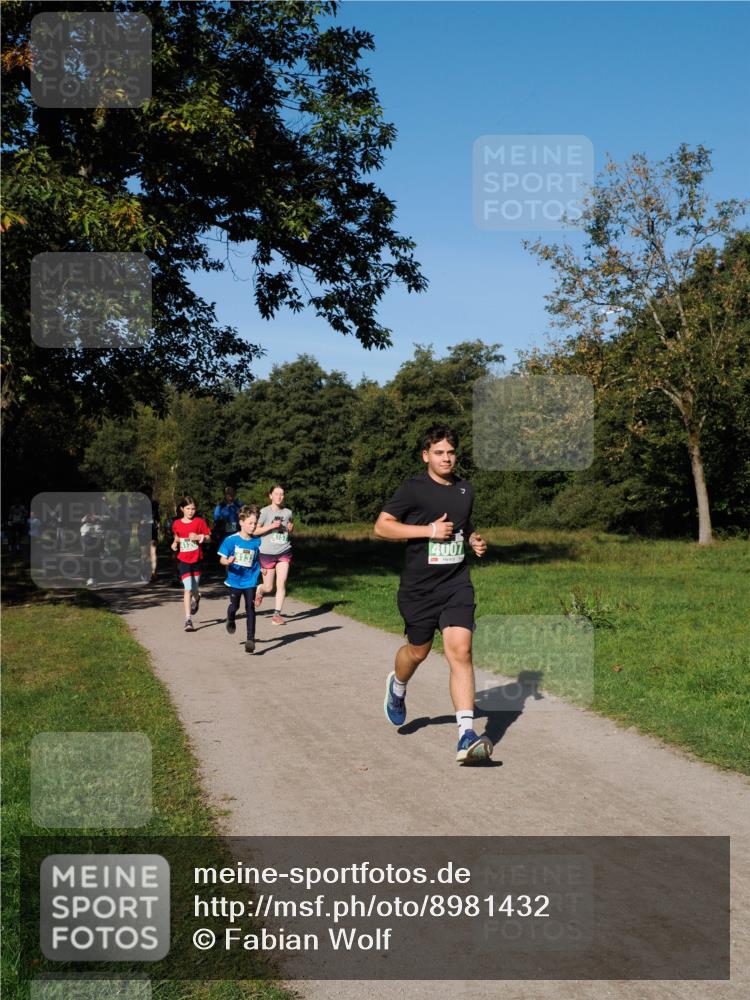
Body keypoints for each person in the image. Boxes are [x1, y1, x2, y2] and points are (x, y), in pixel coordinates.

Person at [374, 425, 492, 765]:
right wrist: (429, 530)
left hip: (456, 584)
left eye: (451, 452)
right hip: (419, 590)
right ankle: (398, 687)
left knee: (461, 651)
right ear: (426, 456)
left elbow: (463, 524)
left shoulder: (465, 489)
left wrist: (473, 539)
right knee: (418, 651)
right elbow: (381, 526)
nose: (446, 458)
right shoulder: (413, 489)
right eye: (439, 453)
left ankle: (466, 735)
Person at [218, 504, 263, 654]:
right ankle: (230, 617)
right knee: (235, 606)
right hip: (235, 580)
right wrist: (227, 561)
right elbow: (222, 559)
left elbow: (258, 558)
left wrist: (263, 568)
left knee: (250, 607)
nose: (253, 526)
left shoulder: (257, 541)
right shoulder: (231, 540)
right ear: (241, 522)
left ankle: (250, 639)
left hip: (250, 580)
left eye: (255, 523)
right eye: (250, 523)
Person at [254, 485, 293, 625]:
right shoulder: (264, 512)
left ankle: (276, 615)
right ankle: (260, 590)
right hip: (267, 553)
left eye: (281, 494)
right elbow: (255, 531)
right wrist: (271, 526)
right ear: (270, 496)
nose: (279, 497)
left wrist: (291, 528)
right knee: (269, 587)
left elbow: (288, 528)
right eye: (276, 494)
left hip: (284, 551)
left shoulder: (288, 512)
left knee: (281, 583)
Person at [170, 496, 211, 631]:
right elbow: (177, 537)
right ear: (182, 509)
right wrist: (174, 543)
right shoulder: (176, 523)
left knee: (194, 588)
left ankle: (197, 596)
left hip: (197, 559)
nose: (190, 511)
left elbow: (209, 538)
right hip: (184, 560)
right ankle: (188, 620)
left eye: (193, 509)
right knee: (187, 588)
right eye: (188, 508)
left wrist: (199, 537)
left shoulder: (199, 522)